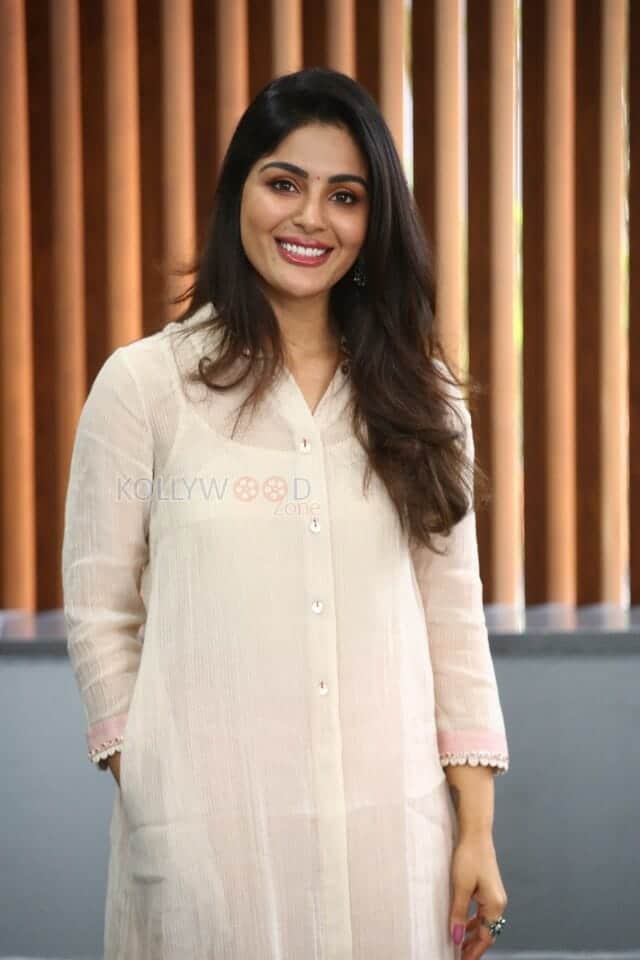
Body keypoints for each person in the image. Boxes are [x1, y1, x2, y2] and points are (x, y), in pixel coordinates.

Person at [62, 66, 510, 960]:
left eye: (345, 196)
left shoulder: (422, 400)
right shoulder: (145, 387)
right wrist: (147, 783)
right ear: (239, 192)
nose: (311, 219)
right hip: (207, 847)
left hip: (393, 843)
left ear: (374, 222)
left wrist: (475, 831)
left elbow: (453, 621)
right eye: (284, 183)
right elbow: (101, 611)